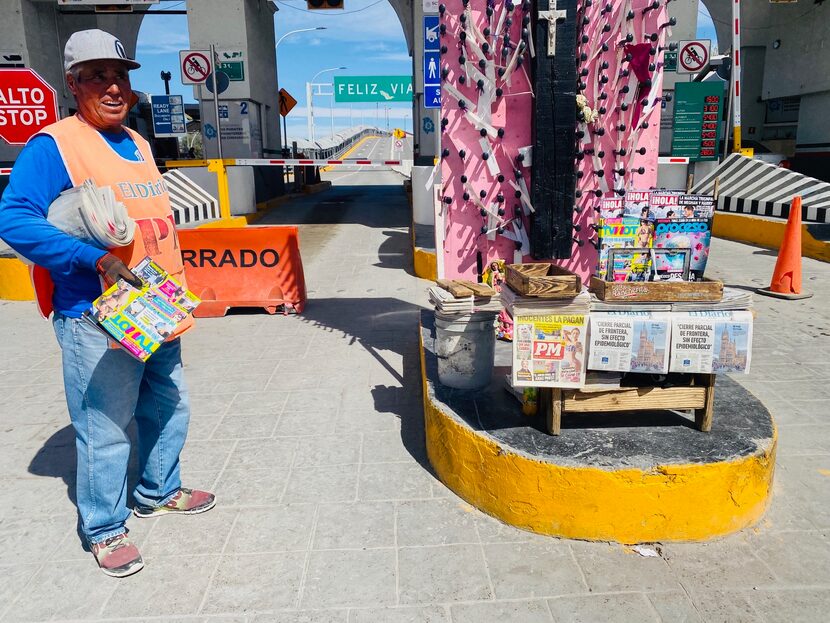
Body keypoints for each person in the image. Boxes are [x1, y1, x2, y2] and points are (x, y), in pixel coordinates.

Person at [0, 29, 214, 578]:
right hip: (94, 312)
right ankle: (104, 526)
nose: (113, 86)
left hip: (154, 304)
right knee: (105, 423)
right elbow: (14, 218)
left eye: (120, 75)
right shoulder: (55, 145)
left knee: (168, 403)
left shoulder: (137, 143)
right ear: (74, 84)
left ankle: (158, 490)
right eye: (97, 76)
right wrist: (91, 260)